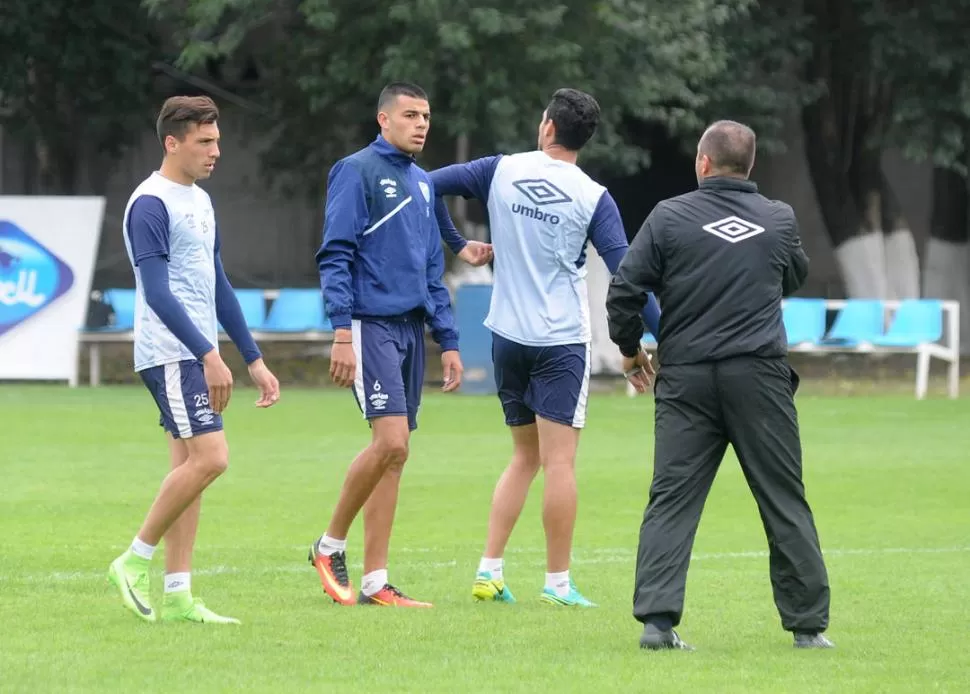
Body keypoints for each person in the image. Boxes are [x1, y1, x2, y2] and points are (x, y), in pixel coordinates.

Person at [605, 120, 833, 650]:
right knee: (783, 498)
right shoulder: (778, 218)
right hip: (759, 377)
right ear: (749, 167)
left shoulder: (668, 217)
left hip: (685, 379)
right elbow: (793, 275)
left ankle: (658, 625)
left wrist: (628, 350)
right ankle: (808, 629)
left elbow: (625, 290)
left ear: (702, 164)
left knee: (671, 499)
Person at [430, 88, 661, 607]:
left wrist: (457, 244)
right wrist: (664, 333)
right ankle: (558, 583)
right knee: (560, 464)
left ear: (548, 128)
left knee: (522, 456)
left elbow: (425, 187)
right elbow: (626, 276)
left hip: (506, 336)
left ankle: (489, 571)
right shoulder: (593, 195)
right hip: (560, 341)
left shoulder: (501, 169)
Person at [108, 95, 281, 624]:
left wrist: (252, 358)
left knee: (190, 469)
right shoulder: (150, 204)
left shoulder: (200, 202)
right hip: (170, 354)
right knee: (212, 459)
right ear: (172, 142)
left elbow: (218, 285)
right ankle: (133, 561)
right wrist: (209, 354)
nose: (216, 151)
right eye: (205, 142)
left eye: (217, 141)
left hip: (195, 354)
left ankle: (180, 595)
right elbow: (157, 292)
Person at [311, 82, 464, 608]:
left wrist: (447, 338)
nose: (421, 124)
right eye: (410, 115)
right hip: (368, 324)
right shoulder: (354, 171)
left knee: (396, 456)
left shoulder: (423, 184)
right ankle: (329, 545)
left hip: (410, 330)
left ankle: (376, 580)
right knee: (392, 442)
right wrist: (340, 330)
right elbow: (335, 254)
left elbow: (430, 268)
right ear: (383, 119)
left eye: (426, 115)